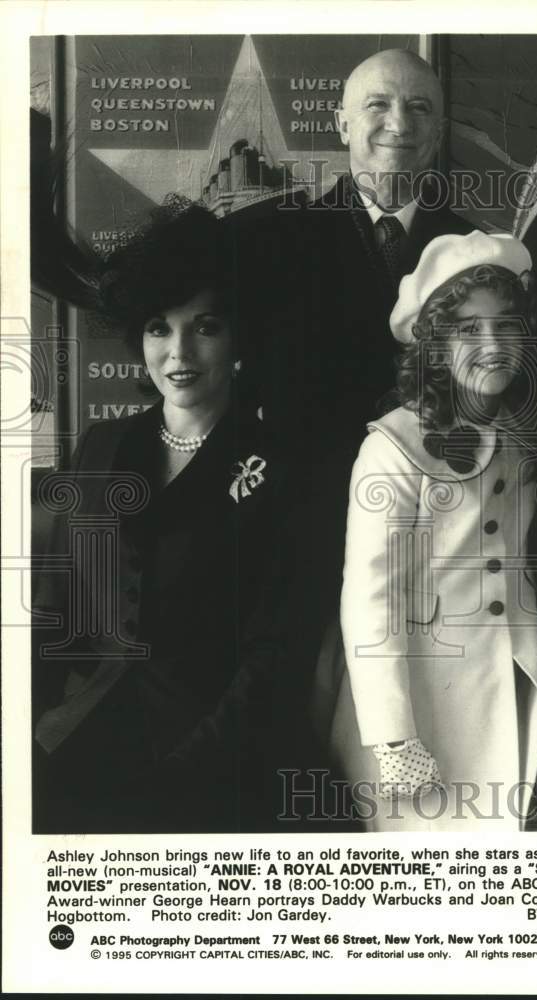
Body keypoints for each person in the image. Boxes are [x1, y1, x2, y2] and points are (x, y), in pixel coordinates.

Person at [32, 201, 313, 833]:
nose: (179, 351)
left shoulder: (280, 468)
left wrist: (183, 773)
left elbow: (276, 654)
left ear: (238, 335)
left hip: (219, 768)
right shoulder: (102, 448)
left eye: (204, 326)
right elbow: (55, 609)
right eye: (159, 328)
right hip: (82, 745)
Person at [229, 50, 473, 671]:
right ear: (341, 125)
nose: (400, 121)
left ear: (439, 131)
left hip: (434, 545)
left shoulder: (475, 254)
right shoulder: (269, 242)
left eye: (420, 107)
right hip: (296, 540)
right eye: (379, 104)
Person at [324, 230, 537, 830]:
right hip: (417, 713)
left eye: (505, 325)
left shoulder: (525, 440)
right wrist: (393, 738)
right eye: (468, 330)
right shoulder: (392, 450)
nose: (493, 344)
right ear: (434, 346)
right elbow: (370, 602)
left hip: (502, 691)